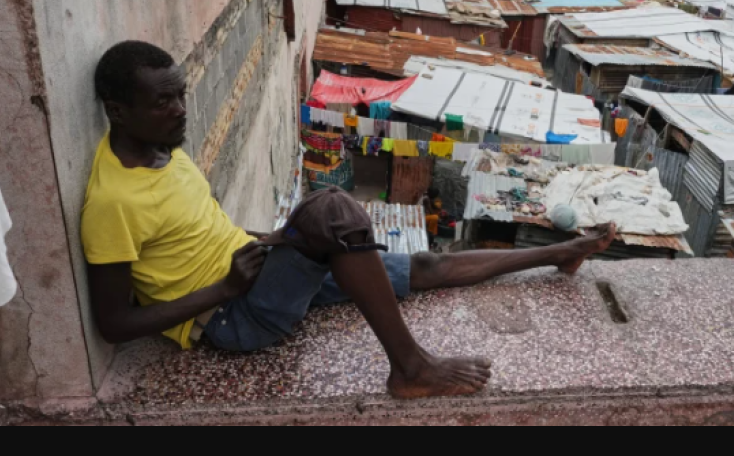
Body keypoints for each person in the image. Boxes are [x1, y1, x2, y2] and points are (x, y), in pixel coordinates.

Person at [82, 41, 617, 400]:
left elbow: (194, 232)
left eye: (181, 95)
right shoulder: (113, 201)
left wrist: (266, 240)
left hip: (257, 272)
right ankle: (410, 367)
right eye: (163, 102)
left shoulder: (163, 150)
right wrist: (222, 289)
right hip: (233, 318)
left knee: (426, 262)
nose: (180, 110)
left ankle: (558, 252)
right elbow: (114, 325)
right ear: (118, 110)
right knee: (331, 208)